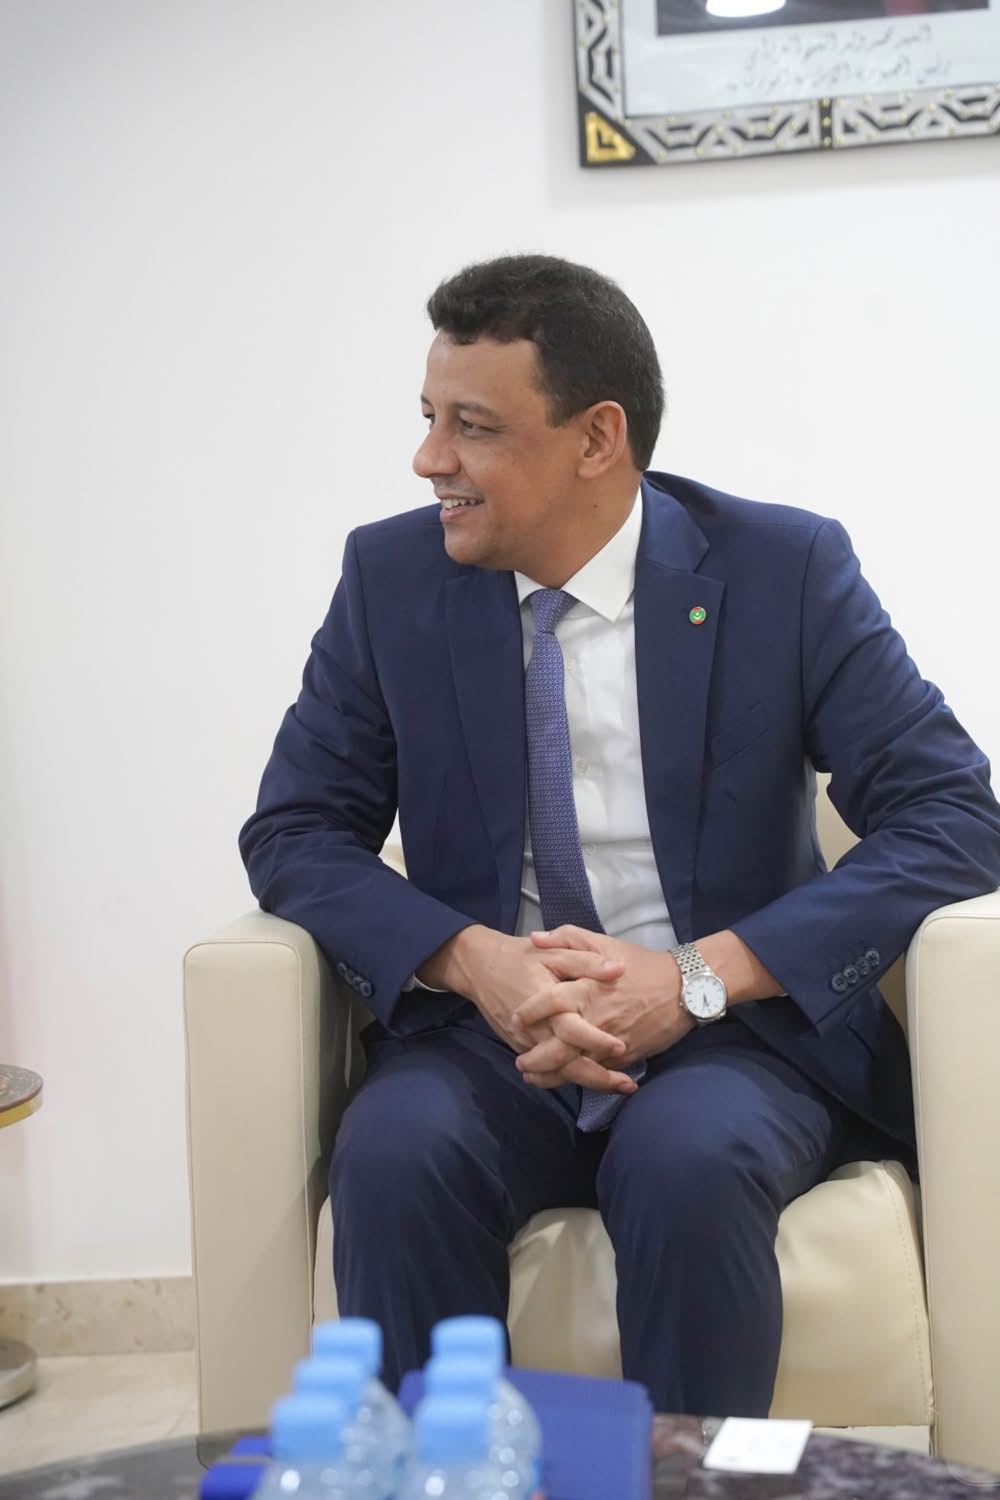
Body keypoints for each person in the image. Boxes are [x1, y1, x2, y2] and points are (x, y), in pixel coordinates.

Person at [239, 253, 1000, 1416]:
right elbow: (296, 828)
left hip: (733, 1035)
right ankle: (446, 1483)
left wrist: (698, 977)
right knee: (393, 1156)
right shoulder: (390, 578)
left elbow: (952, 814)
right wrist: (474, 961)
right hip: (487, 1032)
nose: (429, 458)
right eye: (428, 418)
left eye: (471, 427)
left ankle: (692, 1488)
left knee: (686, 1164)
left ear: (597, 438)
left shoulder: (781, 570)